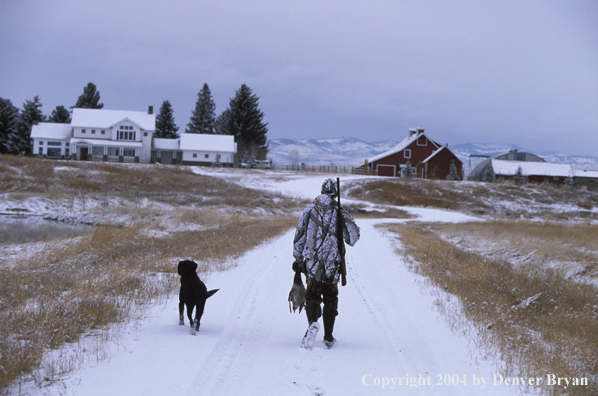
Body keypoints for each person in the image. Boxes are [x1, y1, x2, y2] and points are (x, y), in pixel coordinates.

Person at [292, 178, 360, 349]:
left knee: (312, 296)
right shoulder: (340, 212)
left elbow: (299, 236)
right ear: (336, 195)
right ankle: (328, 336)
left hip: (312, 262)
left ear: (321, 192)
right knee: (331, 297)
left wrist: (298, 258)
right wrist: (345, 216)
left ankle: (313, 323)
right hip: (333, 264)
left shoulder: (309, 210)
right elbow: (353, 238)